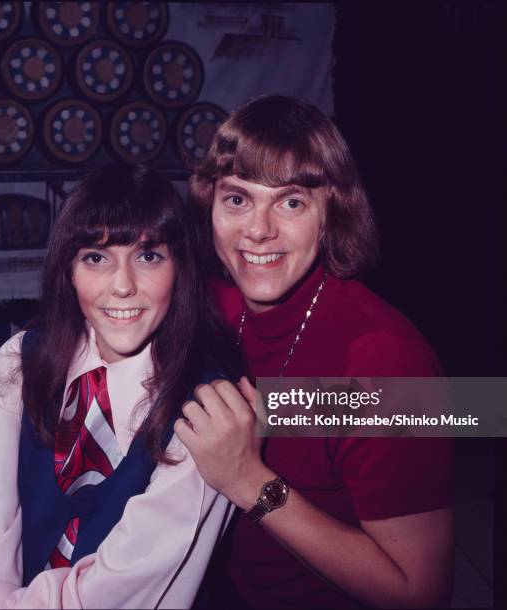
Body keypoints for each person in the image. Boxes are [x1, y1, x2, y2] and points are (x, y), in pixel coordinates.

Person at [176, 96, 455, 609]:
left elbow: (420, 593)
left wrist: (249, 481)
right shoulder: (221, 305)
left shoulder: (386, 364)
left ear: (332, 213)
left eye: (291, 202)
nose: (258, 229)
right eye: (237, 199)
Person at [0, 164, 241, 609]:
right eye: (96, 258)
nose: (122, 286)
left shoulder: (206, 410)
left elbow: (123, 588)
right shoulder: (21, 362)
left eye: (148, 256)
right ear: (68, 270)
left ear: (181, 269)